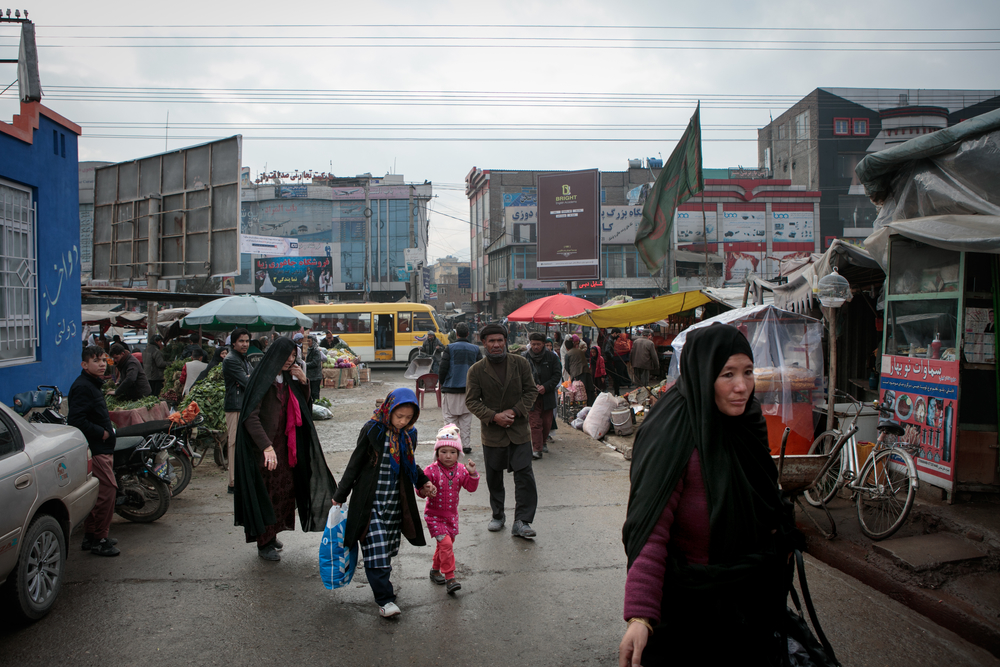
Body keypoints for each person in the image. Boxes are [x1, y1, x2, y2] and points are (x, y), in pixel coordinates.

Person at [617, 324, 801, 667]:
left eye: (748, 372)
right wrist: (640, 617)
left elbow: (764, 499)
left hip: (747, 605)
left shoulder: (748, 423)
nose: (742, 386)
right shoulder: (672, 434)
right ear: (702, 373)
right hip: (689, 609)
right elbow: (652, 532)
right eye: (727, 374)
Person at [333, 388, 437, 618]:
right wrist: (340, 495)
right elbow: (355, 464)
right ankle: (385, 599)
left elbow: (411, 464)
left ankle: (383, 589)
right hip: (370, 504)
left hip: (394, 503)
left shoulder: (408, 436)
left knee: (385, 550)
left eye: (408, 418)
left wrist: (424, 483)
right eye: (399, 416)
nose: (402, 421)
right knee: (376, 549)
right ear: (388, 410)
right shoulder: (373, 430)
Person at [233, 338, 338, 562]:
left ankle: (272, 534)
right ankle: (263, 542)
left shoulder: (289, 378)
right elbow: (250, 418)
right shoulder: (262, 379)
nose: (291, 359)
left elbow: (302, 407)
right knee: (266, 493)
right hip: (264, 448)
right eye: (288, 355)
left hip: (286, 445)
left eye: (293, 355)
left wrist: (303, 381)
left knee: (283, 492)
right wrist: (266, 447)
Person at [465, 323, 539, 539]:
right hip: (493, 434)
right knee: (494, 477)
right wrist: (494, 417)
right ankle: (498, 515)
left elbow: (531, 391)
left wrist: (515, 412)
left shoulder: (520, 363)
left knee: (525, 476)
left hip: (519, 432)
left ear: (505, 341)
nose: (496, 345)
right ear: (484, 343)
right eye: (491, 341)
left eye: (500, 340)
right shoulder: (476, 370)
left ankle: (522, 521)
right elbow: (471, 401)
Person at [68, 346, 120, 557]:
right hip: (97, 449)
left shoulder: (92, 384)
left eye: (103, 360)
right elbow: (76, 420)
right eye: (96, 361)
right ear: (84, 364)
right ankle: (100, 539)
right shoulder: (83, 387)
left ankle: (91, 536)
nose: (101, 364)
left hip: (102, 448)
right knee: (107, 493)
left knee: (98, 494)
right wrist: (103, 433)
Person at [418, 424, 479, 594]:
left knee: (444, 545)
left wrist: (472, 474)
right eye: (443, 452)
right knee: (445, 544)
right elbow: (420, 491)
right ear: (437, 453)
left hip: (451, 516)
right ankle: (450, 577)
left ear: (458, 454)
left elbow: (470, 487)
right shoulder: (430, 471)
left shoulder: (461, 470)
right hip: (434, 516)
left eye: (452, 452)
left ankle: (435, 569)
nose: (448, 456)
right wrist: (425, 489)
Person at [438, 322, 482, 454]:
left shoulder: (449, 348)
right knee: (466, 419)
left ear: (456, 333)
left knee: (450, 419)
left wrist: (442, 384)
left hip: (451, 388)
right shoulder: (475, 349)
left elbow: (443, 368)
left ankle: (452, 444)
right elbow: (480, 370)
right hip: (469, 391)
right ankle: (466, 445)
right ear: (468, 334)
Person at [224, 329, 253, 493]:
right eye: (241, 341)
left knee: (242, 443)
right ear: (233, 343)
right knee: (234, 443)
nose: (245, 344)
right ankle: (233, 483)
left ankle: (241, 479)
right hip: (235, 406)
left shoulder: (242, 358)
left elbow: (251, 377)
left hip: (242, 404)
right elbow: (247, 381)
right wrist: (249, 378)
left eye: (247, 341)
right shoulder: (231, 360)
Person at [523, 332, 561, 460]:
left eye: (538, 344)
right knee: (534, 423)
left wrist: (546, 386)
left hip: (547, 396)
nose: (536, 347)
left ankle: (543, 441)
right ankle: (537, 449)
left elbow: (557, 375)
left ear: (544, 344)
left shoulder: (552, 358)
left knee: (546, 423)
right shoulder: (525, 358)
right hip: (531, 397)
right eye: (533, 344)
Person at [565, 335, 595, 406]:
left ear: (566, 348)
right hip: (586, 372)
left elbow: (566, 367)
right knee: (589, 390)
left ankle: (581, 407)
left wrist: (571, 373)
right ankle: (591, 405)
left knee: (579, 393)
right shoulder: (580, 351)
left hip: (577, 375)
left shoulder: (567, 354)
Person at [303, 334, 324, 401]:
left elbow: (315, 363)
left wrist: (304, 365)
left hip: (315, 376)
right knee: (311, 393)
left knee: (315, 393)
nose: (308, 343)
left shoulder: (316, 351)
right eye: (307, 341)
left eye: (309, 341)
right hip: (311, 376)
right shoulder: (310, 349)